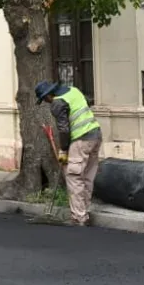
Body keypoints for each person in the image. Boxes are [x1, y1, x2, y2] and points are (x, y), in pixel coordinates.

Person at [36, 81, 102, 226]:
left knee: (74, 176)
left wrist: (64, 150)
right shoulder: (74, 90)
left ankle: (79, 217)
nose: (46, 103)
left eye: (44, 99)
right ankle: (84, 211)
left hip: (81, 139)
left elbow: (64, 129)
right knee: (87, 176)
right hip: (96, 135)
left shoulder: (57, 103)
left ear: (48, 95)